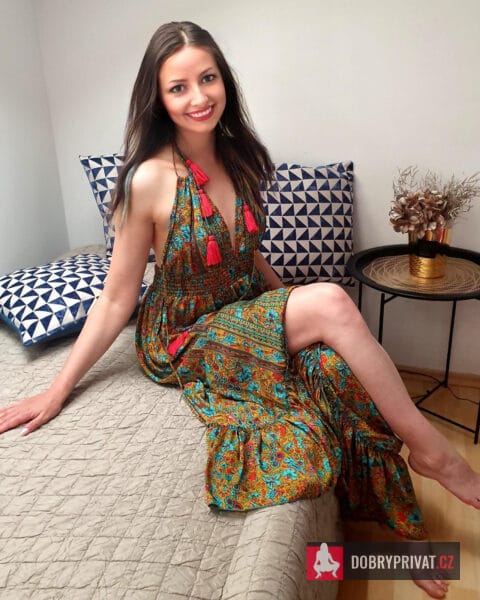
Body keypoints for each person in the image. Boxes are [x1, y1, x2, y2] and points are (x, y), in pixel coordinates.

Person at [0, 20, 478, 598]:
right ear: (158, 98)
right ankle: (432, 451)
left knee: (334, 370)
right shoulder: (146, 180)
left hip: (242, 310)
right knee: (330, 300)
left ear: (224, 80)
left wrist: (287, 307)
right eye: (178, 87)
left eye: (207, 78)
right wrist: (55, 392)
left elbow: (246, 254)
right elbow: (116, 297)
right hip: (184, 336)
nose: (198, 97)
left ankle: (400, 541)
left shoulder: (240, 156)